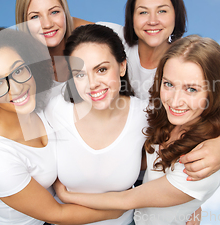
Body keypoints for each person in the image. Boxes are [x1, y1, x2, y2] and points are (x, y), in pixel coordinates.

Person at [0, 0, 220, 181]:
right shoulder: (24, 71)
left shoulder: (109, 40)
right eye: (34, 17)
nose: (47, 24)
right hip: (69, 179)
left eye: (55, 12)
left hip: (139, 170)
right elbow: (2, 103)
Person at [0, 27, 123, 225]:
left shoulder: (45, 101)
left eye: (19, 70)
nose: (17, 88)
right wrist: (119, 210)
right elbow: (56, 213)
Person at [53, 35, 220, 225]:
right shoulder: (167, 119)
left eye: (192, 89)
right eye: (169, 84)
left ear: (213, 92)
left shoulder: (202, 161)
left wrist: (67, 196)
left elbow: (126, 200)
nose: (175, 100)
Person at [46, 24, 148, 225]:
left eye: (101, 69)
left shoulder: (145, 115)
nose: (92, 84)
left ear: (122, 67)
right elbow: (11, 139)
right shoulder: (55, 110)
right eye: (80, 74)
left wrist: (187, 204)